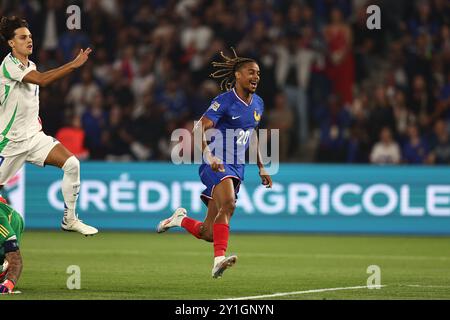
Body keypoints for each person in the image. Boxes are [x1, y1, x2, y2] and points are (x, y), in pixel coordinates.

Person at [157, 48, 273, 278]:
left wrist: (261, 166)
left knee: (208, 232)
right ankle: (218, 259)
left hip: (237, 167)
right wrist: (209, 155)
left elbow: (252, 134)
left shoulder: (258, 103)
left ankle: (179, 219)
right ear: (238, 75)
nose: (256, 77)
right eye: (251, 72)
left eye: (258, 73)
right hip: (216, 164)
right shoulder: (224, 101)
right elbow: (200, 126)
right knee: (229, 203)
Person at [0, 16, 97, 236]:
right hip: (10, 143)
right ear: (11, 43)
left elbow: (25, 100)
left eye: (31, 36)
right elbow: (42, 80)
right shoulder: (9, 65)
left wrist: (34, 120)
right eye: (23, 37)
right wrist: (73, 65)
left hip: (34, 138)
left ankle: (70, 219)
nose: (29, 40)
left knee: (72, 164)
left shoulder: (30, 65)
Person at [0, 196, 23, 294]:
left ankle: (4, 273)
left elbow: (16, 260)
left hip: (13, 219)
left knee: (9, 254)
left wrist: (8, 284)